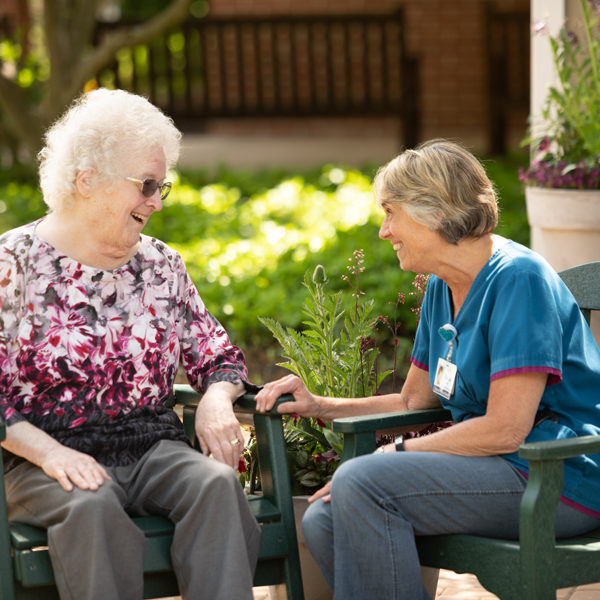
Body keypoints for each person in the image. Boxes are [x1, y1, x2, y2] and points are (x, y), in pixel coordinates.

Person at [255, 139, 600, 599]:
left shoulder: (519, 278)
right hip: (499, 468)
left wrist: (395, 454)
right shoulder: (443, 286)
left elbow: (505, 429)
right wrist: (320, 405)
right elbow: (411, 401)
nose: (383, 231)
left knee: (363, 480)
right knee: (324, 520)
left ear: (434, 213)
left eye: (390, 213)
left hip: (557, 475)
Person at [0, 88, 260, 600]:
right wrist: (51, 454)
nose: (156, 201)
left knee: (215, 486)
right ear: (87, 180)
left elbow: (218, 357)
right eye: (145, 184)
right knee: (92, 505)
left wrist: (214, 399)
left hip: (150, 448)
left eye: (163, 186)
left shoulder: (161, 265)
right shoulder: (15, 263)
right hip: (40, 457)